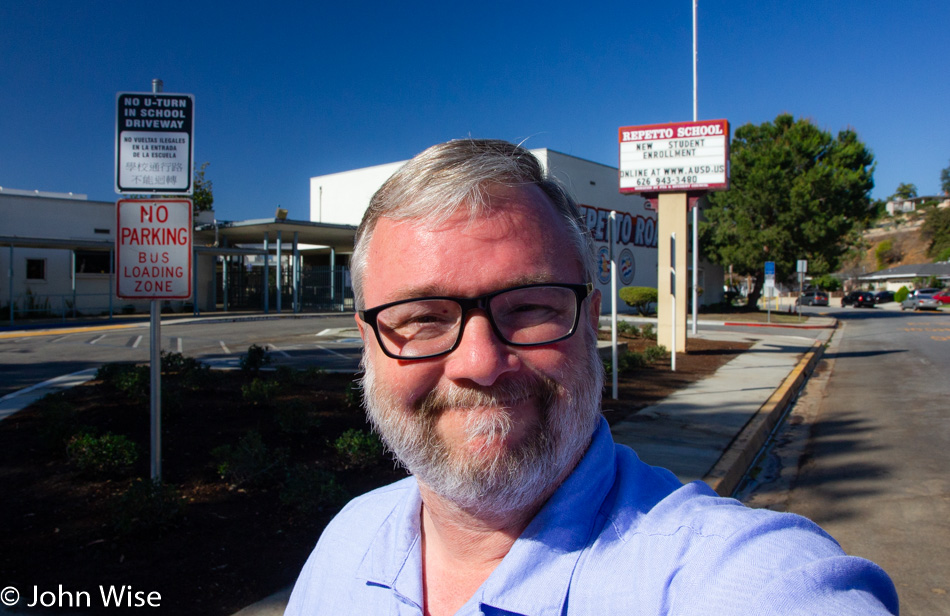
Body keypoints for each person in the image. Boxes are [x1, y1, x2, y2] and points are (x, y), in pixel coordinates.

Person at [285, 139, 898, 615]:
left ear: (589, 323)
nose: (478, 363)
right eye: (422, 318)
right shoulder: (346, 543)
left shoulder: (733, 576)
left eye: (529, 307)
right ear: (368, 342)